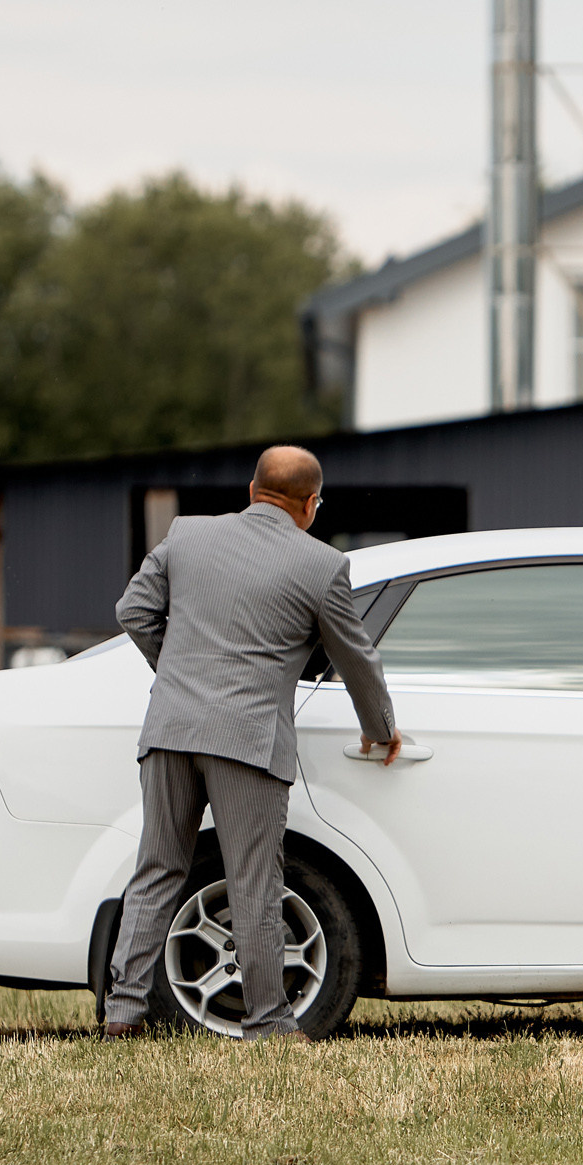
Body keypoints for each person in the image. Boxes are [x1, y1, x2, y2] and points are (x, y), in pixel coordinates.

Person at [101, 446, 400, 1041]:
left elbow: (132, 610)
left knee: (157, 869)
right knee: (254, 882)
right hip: (248, 740)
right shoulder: (321, 566)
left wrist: (181, 674)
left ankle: (122, 1012)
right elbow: (356, 658)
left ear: (251, 488)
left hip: (169, 731)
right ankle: (268, 1020)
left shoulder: (186, 536)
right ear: (312, 504)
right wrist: (381, 728)